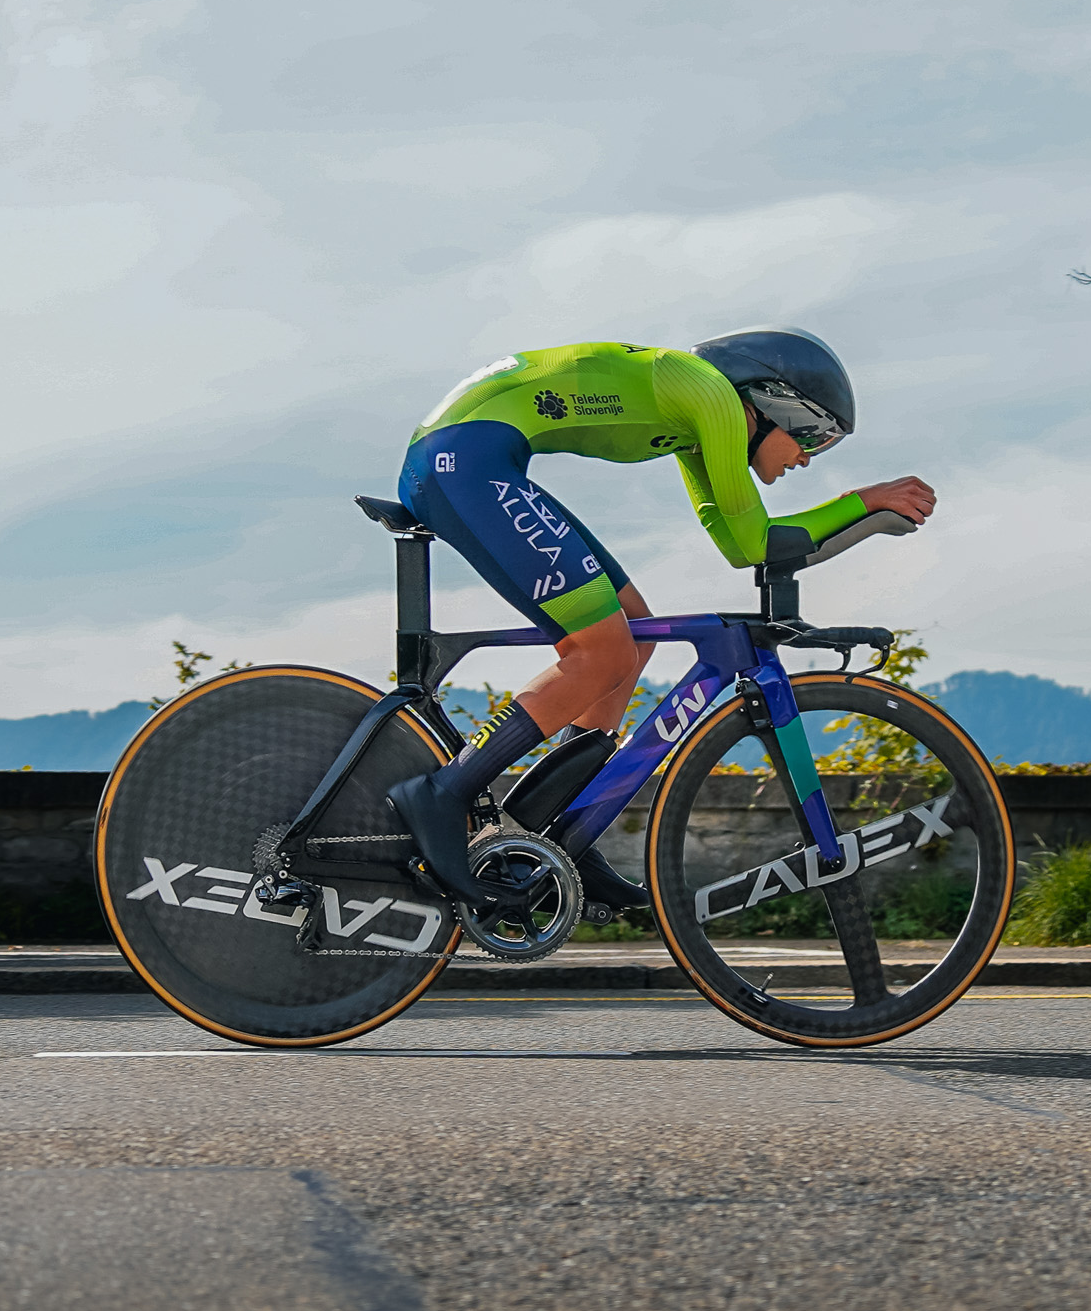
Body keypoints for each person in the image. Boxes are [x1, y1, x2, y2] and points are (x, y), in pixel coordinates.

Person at [388, 328, 935, 905]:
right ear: (772, 402)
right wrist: (863, 502)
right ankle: (443, 792)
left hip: (470, 457)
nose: (808, 455)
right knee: (601, 651)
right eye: (814, 436)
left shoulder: (699, 415)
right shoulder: (715, 398)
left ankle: (559, 830)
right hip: (460, 460)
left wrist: (861, 516)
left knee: (633, 632)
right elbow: (755, 537)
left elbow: (739, 545)